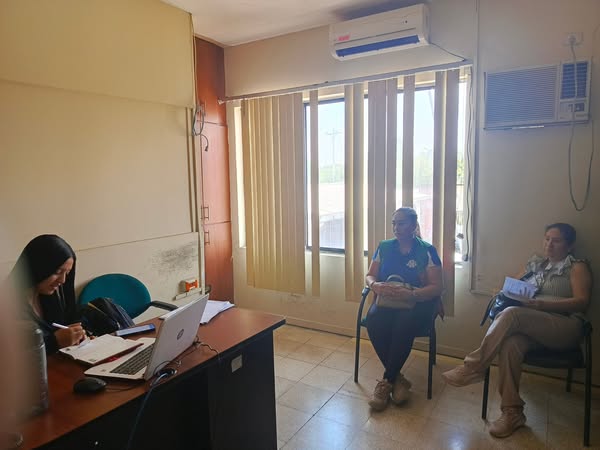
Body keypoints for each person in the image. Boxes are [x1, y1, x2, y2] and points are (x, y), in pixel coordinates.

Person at [442, 223, 592, 438]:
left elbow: (582, 302)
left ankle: (474, 367)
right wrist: (505, 292)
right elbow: (513, 285)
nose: (549, 244)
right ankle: (512, 413)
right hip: (534, 326)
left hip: (566, 327)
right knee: (511, 345)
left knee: (512, 314)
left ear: (569, 245)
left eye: (556, 240)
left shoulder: (577, 267)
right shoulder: (536, 264)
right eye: (547, 238)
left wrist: (542, 305)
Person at [365, 207, 444, 411]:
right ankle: (397, 380)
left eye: (401, 223)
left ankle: (385, 383)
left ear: (414, 226)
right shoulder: (384, 247)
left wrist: (412, 294)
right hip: (387, 301)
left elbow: (437, 287)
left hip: (417, 303)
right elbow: (370, 275)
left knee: (403, 324)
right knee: (373, 321)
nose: (396, 228)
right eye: (394, 223)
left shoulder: (427, 250)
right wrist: (375, 285)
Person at [11, 235, 85, 354]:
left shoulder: (48, 294)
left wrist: (75, 336)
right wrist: (55, 342)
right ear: (38, 267)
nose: (62, 280)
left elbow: (58, 328)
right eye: (58, 272)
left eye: (67, 273)